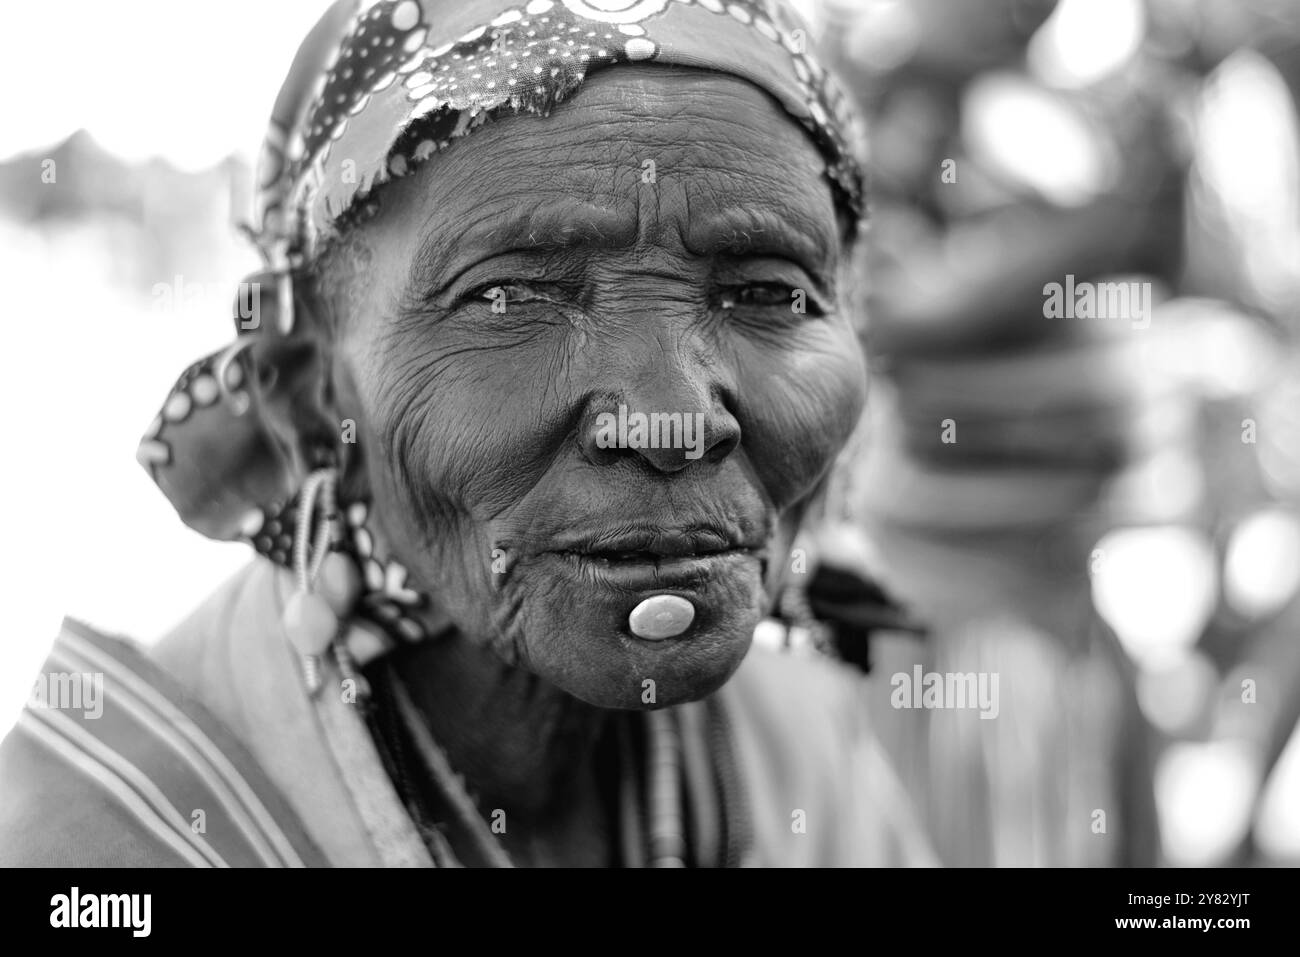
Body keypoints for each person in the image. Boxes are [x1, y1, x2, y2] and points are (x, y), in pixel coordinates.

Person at [0, 0, 932, 867]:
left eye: (769, 292)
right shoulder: (97, 841)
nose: (671, 420)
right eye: (508, 296)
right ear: (310, 391)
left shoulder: (808, 756)